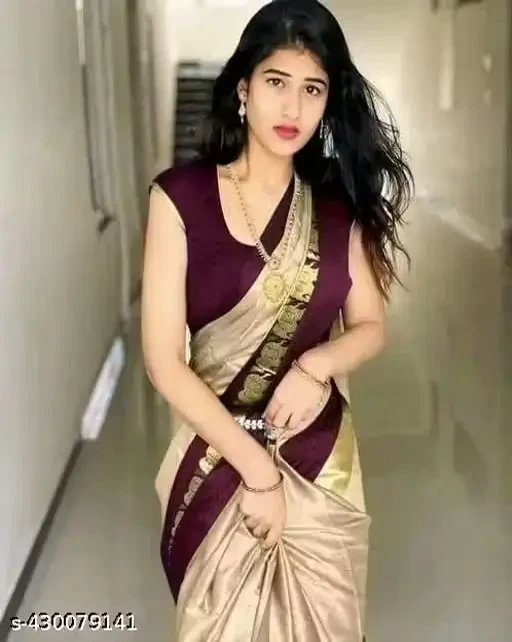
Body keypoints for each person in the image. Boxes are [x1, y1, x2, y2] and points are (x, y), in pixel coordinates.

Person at [141, 0, 413, 639]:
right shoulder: (179, 199)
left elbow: (370, 326)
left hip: (321, 459)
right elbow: (163, 362)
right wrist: (259, 473)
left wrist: (317, 364)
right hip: (216, 455)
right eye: (276, 82)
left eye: (312, 89)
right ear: (244, 88)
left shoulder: (338, 210)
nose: (293, 107)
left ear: (327, 102)